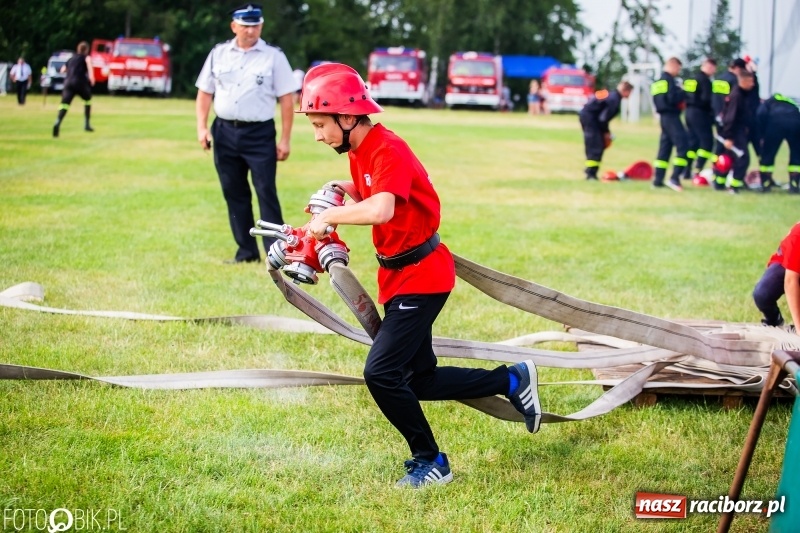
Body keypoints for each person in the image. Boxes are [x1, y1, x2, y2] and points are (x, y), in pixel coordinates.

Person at [299, 63, 542, 488]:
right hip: (397, 277)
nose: (318, 134)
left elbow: (382, 208)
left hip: (423, 277)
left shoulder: (387, 148)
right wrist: (337, 188)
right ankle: (512, 378)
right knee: (418, 379)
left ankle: (432, 460)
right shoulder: (361, 150)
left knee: (381, 373)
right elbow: (370, 190)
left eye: (321, 124)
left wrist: (333, 215)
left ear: (348, 116)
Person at [195, 3, 296, 264]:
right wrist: (202, 127)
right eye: (246, 25)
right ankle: (246, 251)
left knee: (265, 191)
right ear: (234, 26)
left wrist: (285, 139)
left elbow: (287, 98)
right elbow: (205, 92)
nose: (251, 31)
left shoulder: (274, 56)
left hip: (259, 133)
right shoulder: (218, 54)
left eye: (256, 25)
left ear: (261, 26)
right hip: (225, 131)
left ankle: (277, 253)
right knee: (234, 191)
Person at [579, 81, 634, 180]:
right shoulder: (615, 99)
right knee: (596, 145)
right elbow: (603, 119)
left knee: (594, 144)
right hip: (591, 120)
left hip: (588, 117)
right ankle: (591, 174)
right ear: (626, 91)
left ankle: (590, 171)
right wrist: (606, 132)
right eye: (630, 92)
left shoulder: (610, 94)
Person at [713, 70, 756, 193]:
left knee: (729, 159)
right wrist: (729, 137)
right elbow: (730, 118)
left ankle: (719, 183)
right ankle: (734, 186)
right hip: (735, 132)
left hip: (736, 132)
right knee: (743, 159)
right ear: (743, 81)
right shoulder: (737, 96)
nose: (752, 84)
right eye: (750, 81)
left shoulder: (742, 94)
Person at [753, 222, 800, 333]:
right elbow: (790, 281)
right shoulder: (798, 235)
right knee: (762, 294)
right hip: (787, 264)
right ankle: (774, 320)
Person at [651, 57, 689, 191]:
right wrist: (683, 92)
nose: (678, 72)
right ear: (672, 66)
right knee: (684, 146)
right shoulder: (669, 81)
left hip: (663, 117)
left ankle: (658, 179)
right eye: (678, 68)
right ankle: (675, 177)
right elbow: (673, 98)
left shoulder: (658, 81)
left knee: (665, 149)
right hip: (672, 116)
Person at [756, 94, 800, 193]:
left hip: (775, 124)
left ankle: (766, 184)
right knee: (796, 156)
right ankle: (794, 185)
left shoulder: (769, 102)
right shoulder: (791, 102)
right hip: (796, 123)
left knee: (768, 154)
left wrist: (762, 134)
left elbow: (760, 114)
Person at [683, 58, 717, 180]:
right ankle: (698, 169)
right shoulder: (705, 81)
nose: (713, 70)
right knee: (707, 142)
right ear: (706, 66)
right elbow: (707, 100)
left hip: (689, 112)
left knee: (693, 143)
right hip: (700, 113)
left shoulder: (691, 79)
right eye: (712, 67)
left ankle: (686, 170)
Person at [52, 42, 95, 137]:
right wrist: (92, 77)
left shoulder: (71, 58)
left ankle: (58, 121)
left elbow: (63, 70)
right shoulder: (86, 57)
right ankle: (87, 124)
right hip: (79, 82)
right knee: (87, 100)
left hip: (68, 83)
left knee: (64, 104)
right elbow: (89, 64)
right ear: (86, 50)